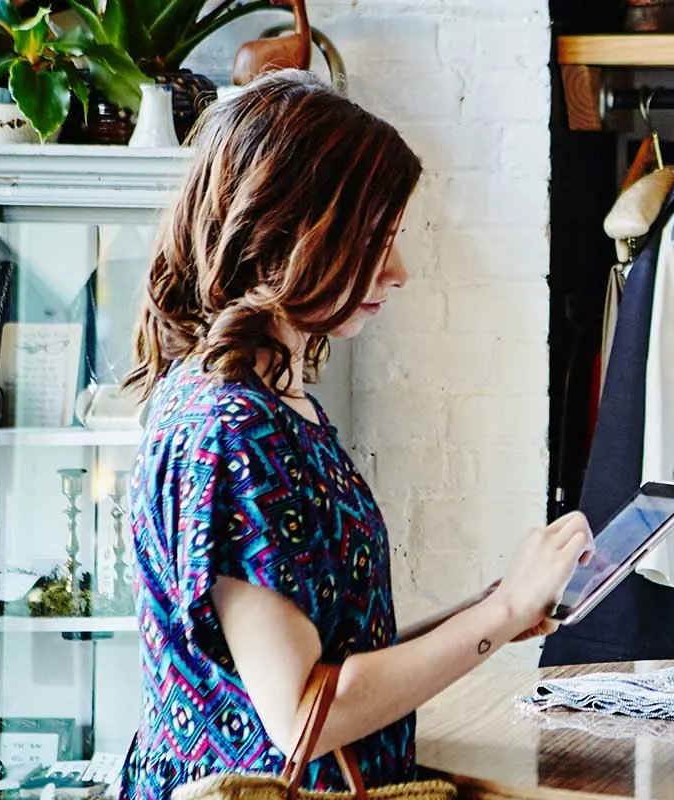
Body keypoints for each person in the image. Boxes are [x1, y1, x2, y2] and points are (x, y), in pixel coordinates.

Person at [118, 71, 593, 800]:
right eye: (375, 239)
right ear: (287, 231)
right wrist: (497, 617)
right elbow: (302, 712)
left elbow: (332, 651)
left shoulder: (270, 405)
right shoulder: (235, 431)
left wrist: (492, 611)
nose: (397, 271)